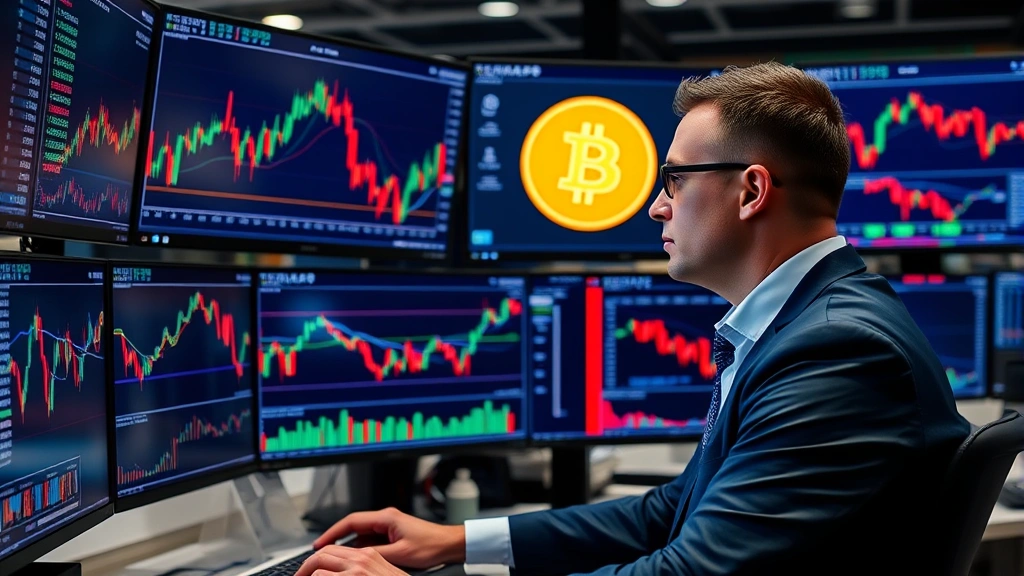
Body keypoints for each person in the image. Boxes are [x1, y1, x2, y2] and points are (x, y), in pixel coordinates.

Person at [294, 61, 971, 576]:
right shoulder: (804, 323)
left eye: (674, 179)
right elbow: (672, 510)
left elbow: (688, 573)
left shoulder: (836, 349)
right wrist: (458, 541)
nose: (656, 206)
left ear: (752, 190)